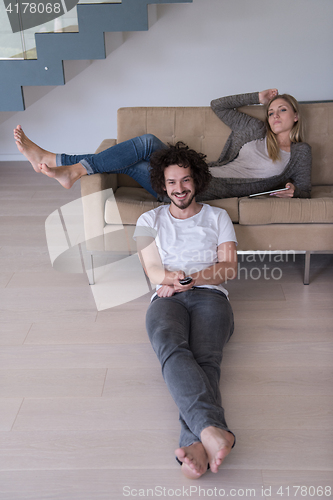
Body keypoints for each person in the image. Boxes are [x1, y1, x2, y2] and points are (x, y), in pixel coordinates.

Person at [134, 141, 238, 478]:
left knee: (206, 358)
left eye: (186, 180)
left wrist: (191, 279)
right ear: (163, 185)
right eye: (172, 182)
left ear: (197, 181)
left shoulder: (217, 216)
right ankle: (213, 433)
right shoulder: (148, 219)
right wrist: (170, 280)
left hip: (210, 295)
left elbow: (229, 267)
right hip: (166, 298)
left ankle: (196, 443)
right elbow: (151, 270)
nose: (180, 189)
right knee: (172, 349)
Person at [13, 88, 311, 199]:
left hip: (197, 188)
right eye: (271, 111)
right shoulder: (252, 127)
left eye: (282, 110)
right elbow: (217, 105)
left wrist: (293, 191)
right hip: (195, 171)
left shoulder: (300, 153)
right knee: (144, 145)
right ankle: (67, 166)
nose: (274, 115)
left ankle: (59, 161)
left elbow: (306, 189)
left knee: (141, 149)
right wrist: (255, 98)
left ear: (296, 116)